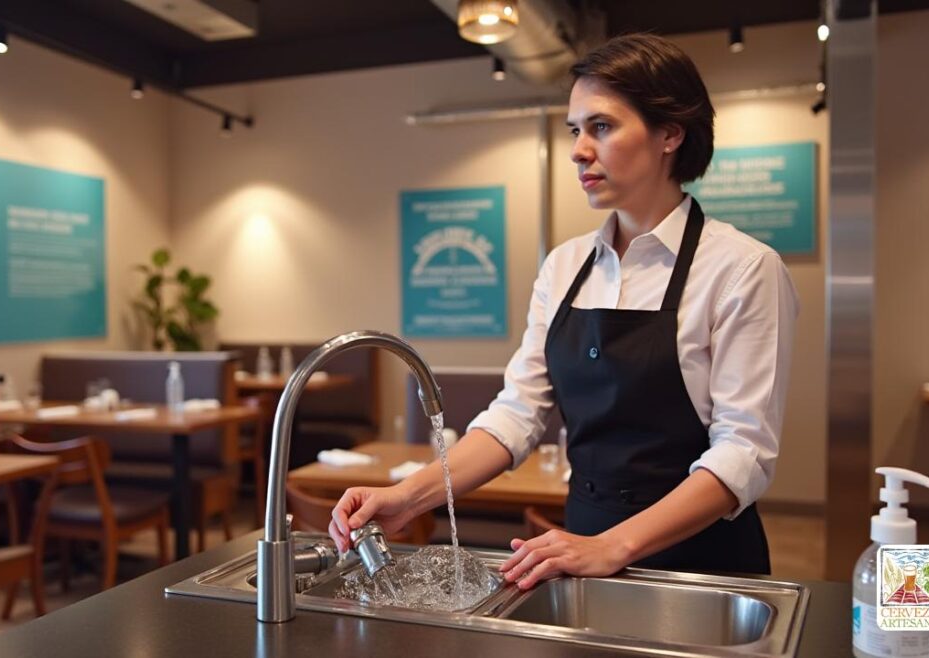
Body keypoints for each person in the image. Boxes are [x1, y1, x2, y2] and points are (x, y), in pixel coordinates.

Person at [329, 33, 799, 588]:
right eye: (576, 129)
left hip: (703, 564)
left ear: (670, 132)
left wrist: (613, 546)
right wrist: (408, 496)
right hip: (582, 547)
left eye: (601, 126)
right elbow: (517, 414)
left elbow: (743, 453)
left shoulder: (743, 268)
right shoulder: (565, 265)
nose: (578, 149)